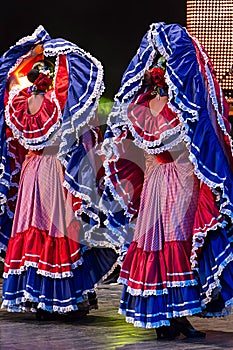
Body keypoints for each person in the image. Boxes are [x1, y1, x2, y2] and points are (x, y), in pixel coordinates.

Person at [100, 22, 233, 339]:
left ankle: (163, 320)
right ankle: (177, 317)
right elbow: (201, 137)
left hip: (155, 182)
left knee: (156, 245)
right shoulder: (180, 110)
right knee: (177, 246)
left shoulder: (139, 109)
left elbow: (128, 144)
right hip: (180, 181)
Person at [0, 25, 118, 319]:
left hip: (31, 171)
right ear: (49, 77)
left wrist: (29, 50)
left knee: (33, 230)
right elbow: (75, 88)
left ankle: (38, 298)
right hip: (53, 170)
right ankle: (59, 298)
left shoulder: (17, 103)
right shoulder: (57, 102)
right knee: (58, 230)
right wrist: (59, 51)